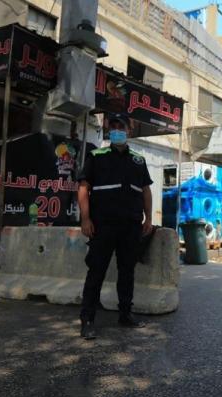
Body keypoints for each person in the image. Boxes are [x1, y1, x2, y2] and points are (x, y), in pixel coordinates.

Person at [76, 115, 153, 340]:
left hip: (130, 226)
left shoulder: (138, 160)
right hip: (102, 226)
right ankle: (87, 320)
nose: (117, 130)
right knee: (96, 272)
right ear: (109, 130)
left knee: (127, 272)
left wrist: (148, 218)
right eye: (114, 127)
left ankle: (125, 315)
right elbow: (83, 188)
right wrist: (85, 219)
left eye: (121, 126)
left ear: (129, 130)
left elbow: (146, 190)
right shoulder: (96, 156)